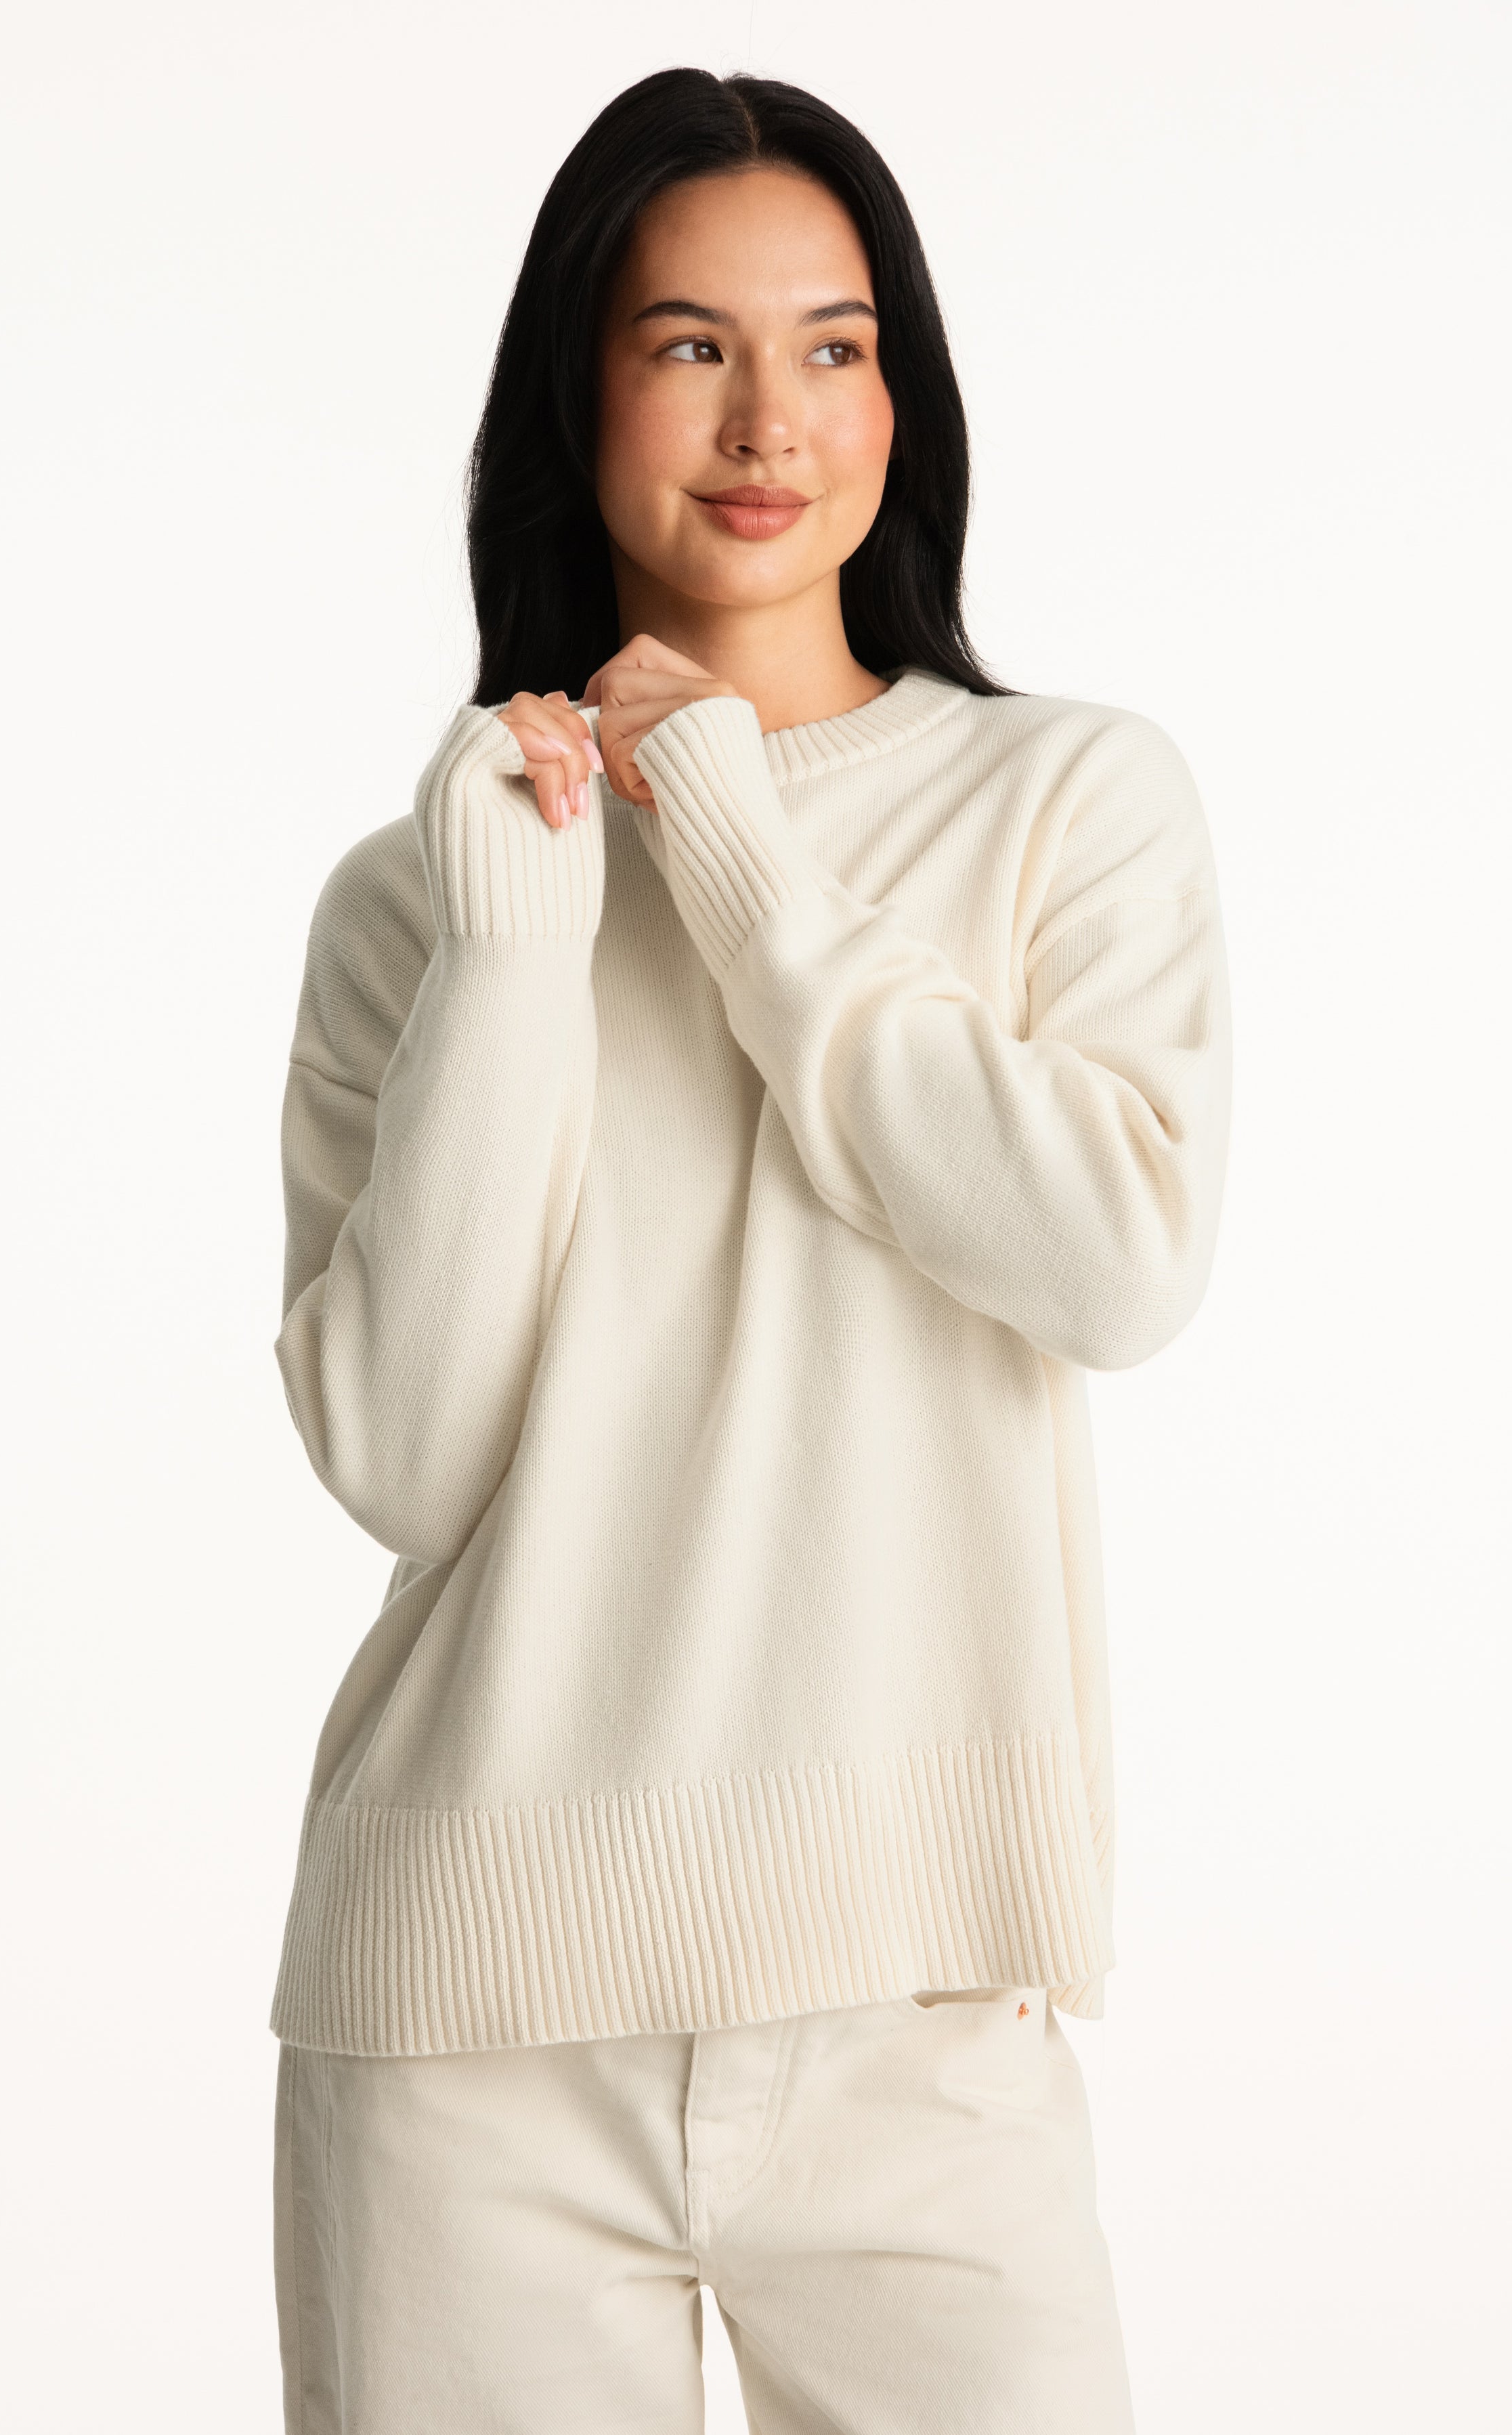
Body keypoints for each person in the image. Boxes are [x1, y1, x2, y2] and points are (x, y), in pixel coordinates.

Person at [267, 65, 1230, 2435]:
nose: (767, 419)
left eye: (833, 343)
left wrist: (738, 854)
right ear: (575, 392)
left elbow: (1113, 1258)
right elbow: (406, 1451)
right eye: (689, 343)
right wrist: (517, 943)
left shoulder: (1063, 800)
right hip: (466, 2019)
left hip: (922, 2016)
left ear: (904, 394)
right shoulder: (424, 889)